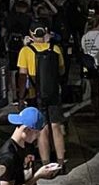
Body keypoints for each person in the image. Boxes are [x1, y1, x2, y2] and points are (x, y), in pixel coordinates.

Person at [17, 25, 67, 170]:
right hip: (53, 93)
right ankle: (61, 162)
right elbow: (62, 70)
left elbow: (22, 75)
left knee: (42, 129)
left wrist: (21, 97)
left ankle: (46, 164)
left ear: (30, 34)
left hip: (35, 94)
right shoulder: (55, 49)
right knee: (56, 127)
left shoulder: (25, 51)